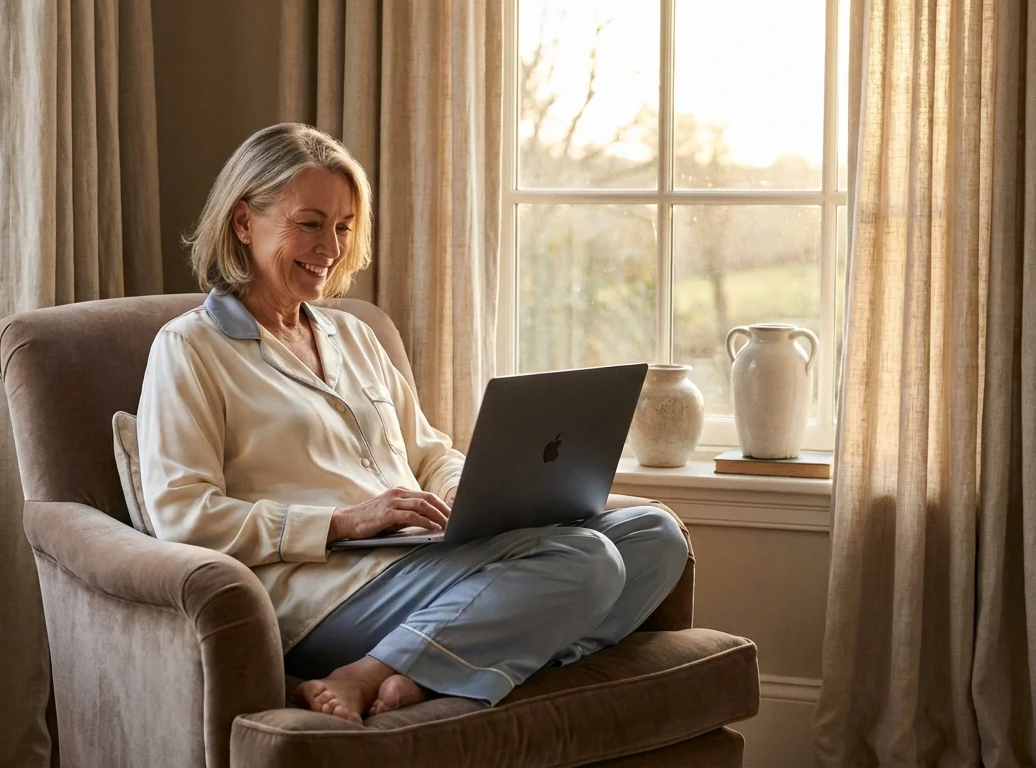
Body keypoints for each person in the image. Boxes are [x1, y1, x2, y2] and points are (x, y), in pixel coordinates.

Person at [137, 122, 689, 724]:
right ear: (244, 222)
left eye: (344, 227)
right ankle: (371, 671)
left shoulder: (354, 334)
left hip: (421, 556)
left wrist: (459, 487)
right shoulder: (190, 348)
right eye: (310, 223)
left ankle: (441, 663)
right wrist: (343, 522)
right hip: (327, 590)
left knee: (657, 536)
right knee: (586, 560)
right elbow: (182, 514)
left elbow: (427, 450)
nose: (331, 247)